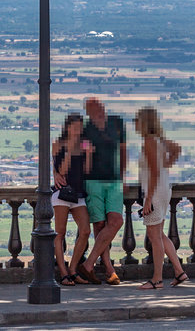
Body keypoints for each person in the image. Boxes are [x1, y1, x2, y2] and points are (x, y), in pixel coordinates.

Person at [134, 107, 188, 290]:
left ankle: (157, 279)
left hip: (155, 190)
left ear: (144, 122)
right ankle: (179, 272)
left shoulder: (150, 141)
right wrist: (167, 164)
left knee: (154, 236)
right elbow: (177, 149)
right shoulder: (159, 140)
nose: (134, 123)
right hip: (163, 188)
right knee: (159, 234)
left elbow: (154, 172)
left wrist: (147, 199)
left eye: (137, 120)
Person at [74, 97, 126, 286]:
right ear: (88, 112)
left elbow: (123, 150)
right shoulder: (86, 129)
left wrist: (123, 176)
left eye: (99, 107)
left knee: (116, 221)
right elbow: (82, 152)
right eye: (93, 108)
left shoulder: (117, 123)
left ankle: (88, 264)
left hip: (114, 180)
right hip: (93, 181)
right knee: (99, 225)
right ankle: (109, 269)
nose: (98, 111)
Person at [52, 113, 93, 286]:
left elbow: (87, 171)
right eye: (74, 127)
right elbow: (61, 171)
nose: (77, 130)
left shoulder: (84, 144)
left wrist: (89, 154)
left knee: (85, 231)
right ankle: (63, 272)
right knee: (59, 232)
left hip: (78, 193)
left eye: (80, 127)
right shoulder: (58, 144)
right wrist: (69, 149)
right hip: (62, 193)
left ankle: (73, 269)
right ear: (67, 127)